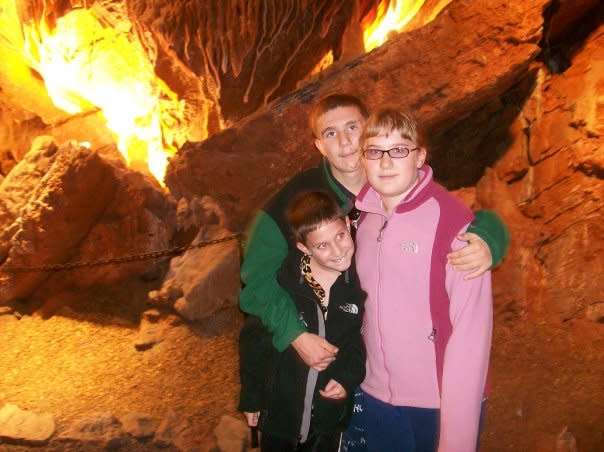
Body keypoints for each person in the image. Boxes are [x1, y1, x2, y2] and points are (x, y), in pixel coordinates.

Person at [239, 94, 508, 371]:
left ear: (368, 128)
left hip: (389, 351)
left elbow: (448, 213)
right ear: (319, 145)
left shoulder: (391, 179)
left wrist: (490, 236)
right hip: (320, 349)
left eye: (352, 128)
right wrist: (293, 333)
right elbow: (257, 281)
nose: (344, 141)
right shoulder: (291, 201)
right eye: (331, 133)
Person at [353, 108, 492, 451]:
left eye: (399, 149)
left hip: (437, 402)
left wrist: (457, 438)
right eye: (375, 150)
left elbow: (471, 334)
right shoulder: (364, 222)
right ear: (364, 159)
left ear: (420, 156)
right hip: (376, 396)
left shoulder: (452, 221)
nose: (386, 162)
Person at [239, 191, 366, 451]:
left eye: (340, 235)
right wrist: (251, 398)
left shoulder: (355, 287)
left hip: (327, 421)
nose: (338, 250)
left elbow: (356, 344)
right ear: (303, 247)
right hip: (280, 417)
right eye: (322, 245)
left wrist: (346, 379)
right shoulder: (284, 286)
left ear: (348, 225)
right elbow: (253, 342)